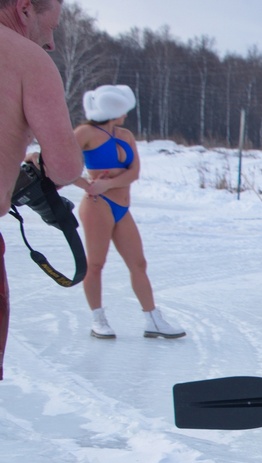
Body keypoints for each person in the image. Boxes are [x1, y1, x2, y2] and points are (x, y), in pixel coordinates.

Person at [1, 0, 83, 380]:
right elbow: (66, 166)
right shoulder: (26, 57)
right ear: (24, 8)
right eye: (50, 27)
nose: (50, 43)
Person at [71, 85, 185, 340]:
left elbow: (134, 172)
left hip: (121, 207)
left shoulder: (125, 135)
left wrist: (109, 182)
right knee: (96, 264)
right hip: (97, 205)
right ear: (113, 110)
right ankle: (98, 319)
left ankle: (153, 318)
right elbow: (59, 164)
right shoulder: (85, 132)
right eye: (123, 110)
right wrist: (87, 184)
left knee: (138, 263)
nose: (126, 115)